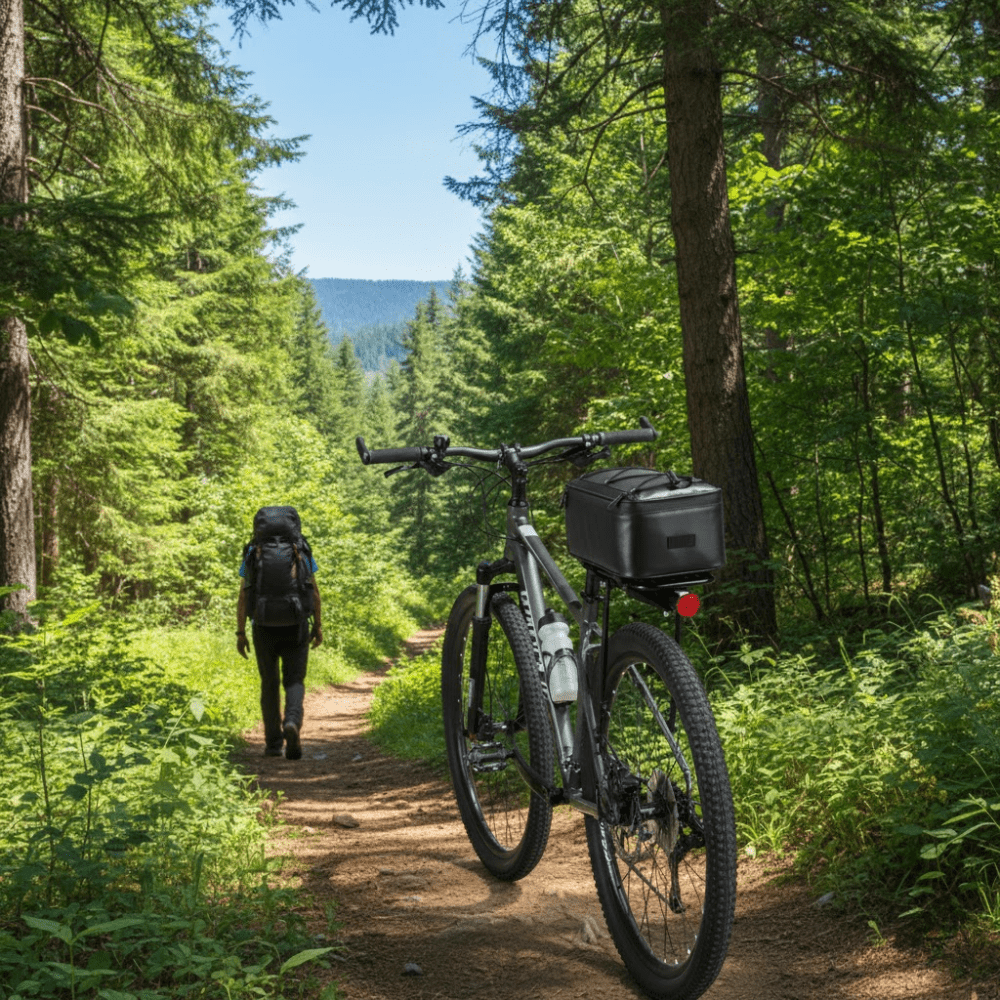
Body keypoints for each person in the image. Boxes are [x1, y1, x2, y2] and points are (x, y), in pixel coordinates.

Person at [236, 536, 322, 760]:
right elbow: (314, 591)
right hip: (296, 625)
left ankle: (273, 744)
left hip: (263, 627)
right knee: (294, 680)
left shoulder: (253, 551)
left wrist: (241, 632)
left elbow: (244, 594)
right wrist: (318, 626)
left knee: (269, 683)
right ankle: (292, 722)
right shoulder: (301, 549)